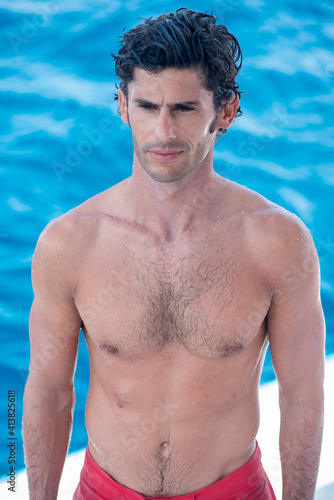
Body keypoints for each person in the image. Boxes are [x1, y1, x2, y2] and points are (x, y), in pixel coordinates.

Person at [23, 8, 325, 500]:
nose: (163, 131)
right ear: (122, 105)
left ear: (224, 112)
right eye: (147, 107)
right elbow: (46, 392)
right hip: (105, 491)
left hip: (234, 491)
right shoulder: (70, 243)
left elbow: (302, 397)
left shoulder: (276, 243)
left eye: (184, 108)